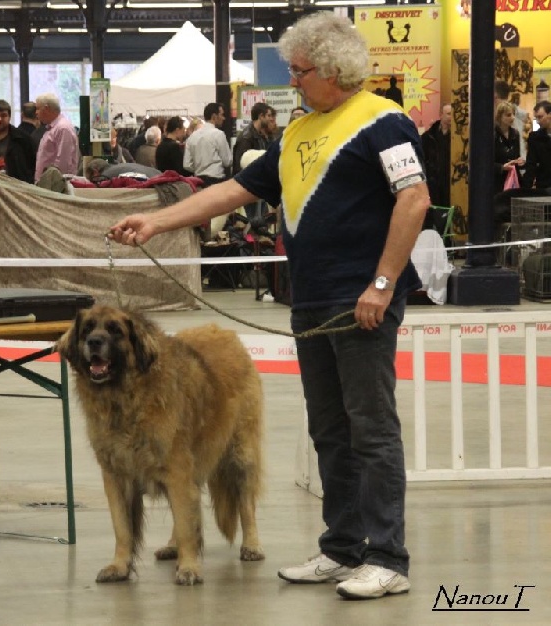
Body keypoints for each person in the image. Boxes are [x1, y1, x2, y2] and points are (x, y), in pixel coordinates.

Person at [109, 12, 428, 601]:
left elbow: (414, 199)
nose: (294, 83)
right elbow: (236, 190)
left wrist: (382, 285)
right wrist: (155, 220)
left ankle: (388, 556)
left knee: (372, 429)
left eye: (301, 72)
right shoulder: (298, 132)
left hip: (360, 302)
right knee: (330, 428)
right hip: (310, 302)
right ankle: (342, 547)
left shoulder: (385, 123)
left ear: (334, 70)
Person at [233, 102, 277, 222]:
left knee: (262, 221)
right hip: (250, 186)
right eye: (268, 116)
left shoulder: (263, 136)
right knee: (253, 222)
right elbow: (240, 164)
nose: (271, 119)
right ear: (261, 116)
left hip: (260, 187)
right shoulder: (246, 137)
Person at [0, 99, 36, 183]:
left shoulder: (24, 139)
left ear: (9, 117)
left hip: (18, 187)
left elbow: (32, 165)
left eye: (3, 115)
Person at [34, 92, 80, 181]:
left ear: (46, 109)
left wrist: (54, 183)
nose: (36, 113)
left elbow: (63, 162)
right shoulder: (52, 128)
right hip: (48, 184)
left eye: (38, 109)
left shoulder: (63, 128)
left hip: (56, 186)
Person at [183, 102, 232, 186]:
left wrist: (199, 167)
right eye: (222, 115)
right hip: (216, 180)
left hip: (198, 181)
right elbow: (227, 161)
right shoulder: (218, 134)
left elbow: (187, 164)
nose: (223, 118)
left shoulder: (192, 137)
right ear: (214, 116)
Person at [420, 103, 452, 206]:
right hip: (433, 181)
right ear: (441, 115)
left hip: (450, 181)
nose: (451, 117)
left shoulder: (459, 138)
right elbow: (422, 158)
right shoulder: (428, 136)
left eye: (453, 114)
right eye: (448, 114)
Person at [493, 101, 524, 191]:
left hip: (513, 179)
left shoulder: (515, 133)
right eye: (508, 115)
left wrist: (520, 161)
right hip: (497, 181)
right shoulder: (492, 134)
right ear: (500, 116)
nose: (513, 118)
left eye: (513, 114)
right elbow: (485, 162)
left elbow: (516, 156)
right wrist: (501, 167)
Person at [495, 80, 529, 158]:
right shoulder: (519, 115)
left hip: (512, 165)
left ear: (495, 96)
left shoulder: (500, 116)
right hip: (520, 164)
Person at [522, 100, 551, 192]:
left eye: (540, 117)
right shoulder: (534, 137)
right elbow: (531, 164)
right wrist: (526, 189)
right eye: (536, 118)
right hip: (543, 186)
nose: (538, 121)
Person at [84, 157, 160, 182]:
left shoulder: (106, 175)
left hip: (156, 182)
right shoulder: (118, 167)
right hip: (158, 174)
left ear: (95, 172)